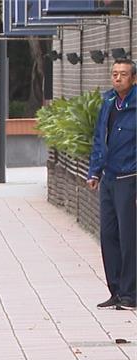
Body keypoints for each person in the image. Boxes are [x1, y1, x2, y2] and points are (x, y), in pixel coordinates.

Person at [87, 58, 136, 310]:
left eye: (123, 74)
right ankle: (116, 290)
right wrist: (94, 172)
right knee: (108, 235)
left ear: (134, 78)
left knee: (129, 238)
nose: (118, 78)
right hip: (108, 178)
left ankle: (130, 294)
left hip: (130, 178)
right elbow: (100, 138)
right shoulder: (108, 102)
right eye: (114, 74)